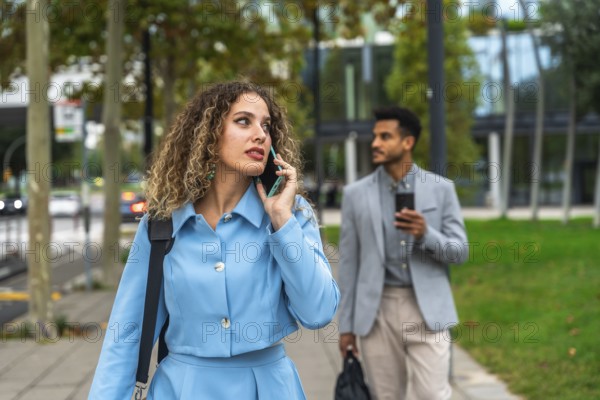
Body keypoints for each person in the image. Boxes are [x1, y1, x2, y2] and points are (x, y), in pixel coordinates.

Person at [89, 81, 340, 399]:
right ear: (209, 133)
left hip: (270, 388)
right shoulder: (162, 223)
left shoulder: (292, 214)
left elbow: (318, 313)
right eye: (243, 121)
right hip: (181, 389)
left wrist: (281, 220)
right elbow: (127, 334)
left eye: (266, 125)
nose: (260, 134)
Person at [337, 106, 468, 400]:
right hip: (377, 309)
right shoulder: (355, 194)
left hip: (427, 309)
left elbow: (460, 252)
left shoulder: (441, 189)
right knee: (386, 395)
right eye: (375, 136)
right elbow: (348, 265)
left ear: (407, 142)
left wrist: (426, 234)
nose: (375, 143)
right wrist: (346, 326)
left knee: (434, 395)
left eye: (385, 137)